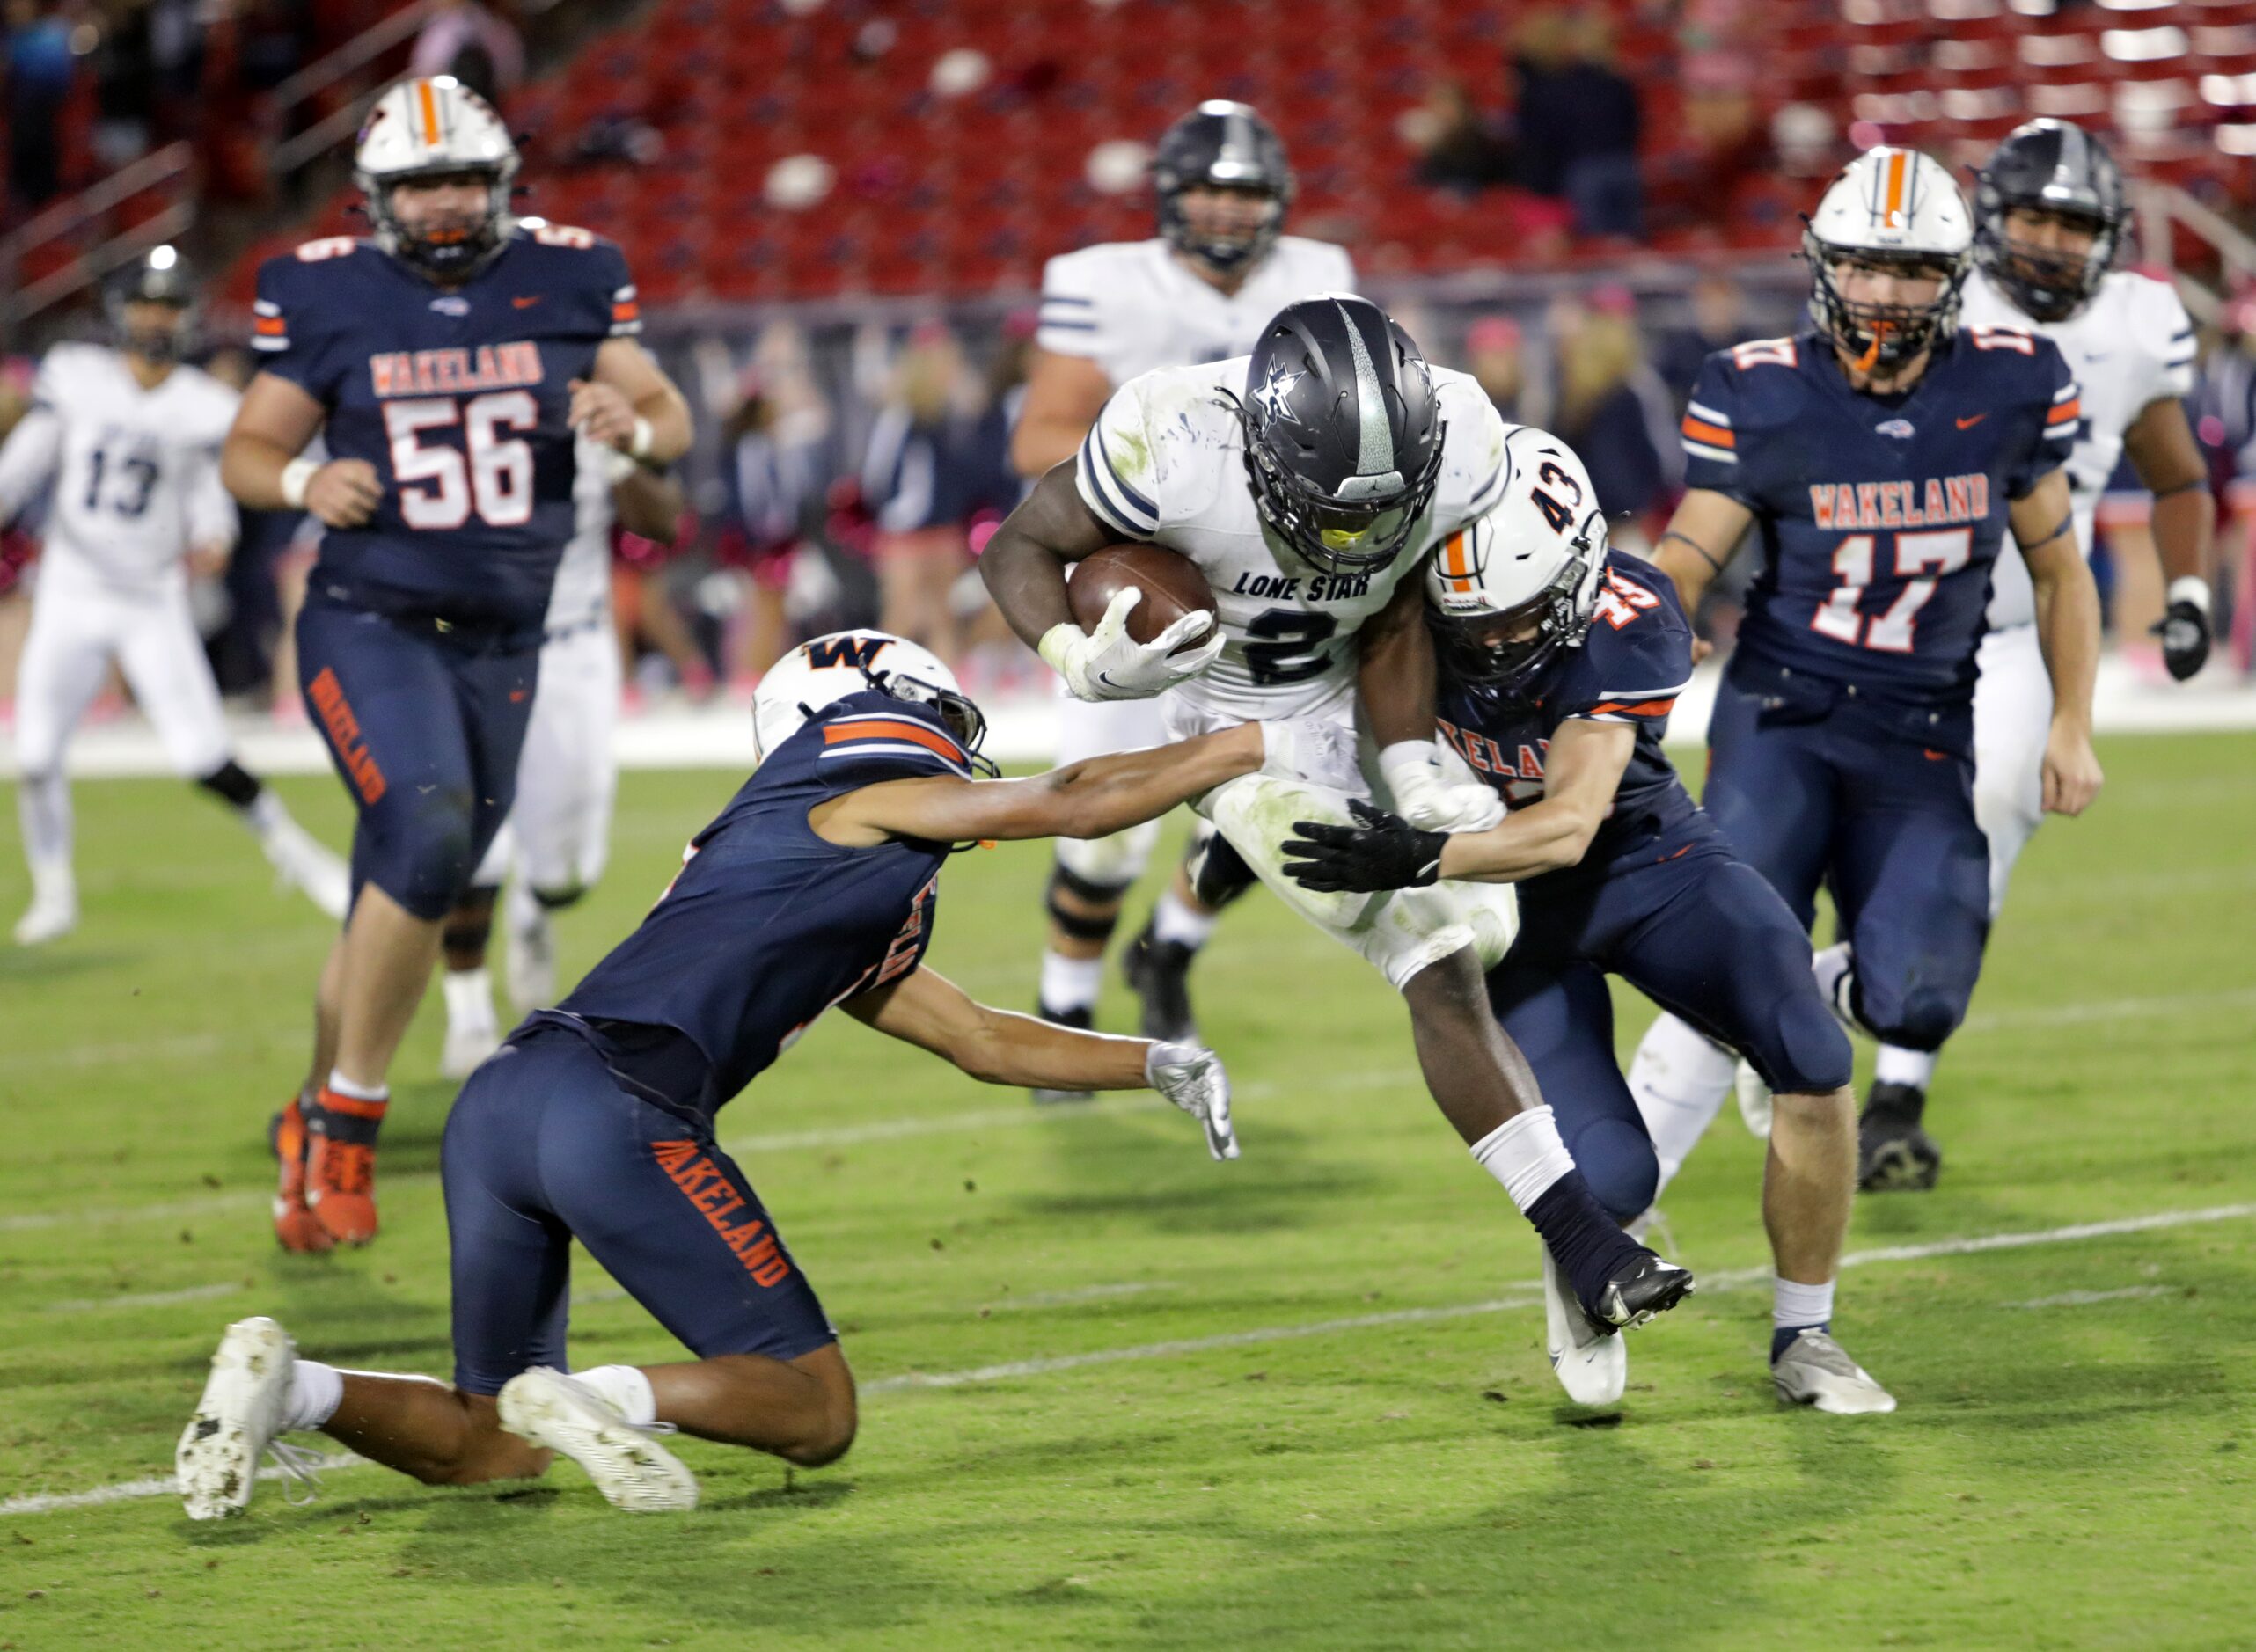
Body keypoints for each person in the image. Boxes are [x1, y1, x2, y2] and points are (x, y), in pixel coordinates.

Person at [177, 632, 1272, 1517]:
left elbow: (976, 1038)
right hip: (617, 1109)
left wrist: (1154, 1063)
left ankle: (299, 1391)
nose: (952, 742)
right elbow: (1068, 800)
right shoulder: (858, 762)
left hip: (509, 1099)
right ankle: (593, 1397)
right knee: (815, 1410)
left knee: (489, 1443)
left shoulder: (815, 855)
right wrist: (1254, 744)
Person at [981, 293, 1696, 1345]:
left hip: (1355, 693)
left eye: (1379, 504)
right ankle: (1590, 1248)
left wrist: (1410, 770)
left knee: (1492, 924)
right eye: (1329, 503)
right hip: (1223, 724)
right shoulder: (1173, 436)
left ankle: (1225, 874)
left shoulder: (1459, 433)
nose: (1350, 530)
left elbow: (1403, 604)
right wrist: (1078, 659)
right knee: (1434, 951)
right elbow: (1016, 546)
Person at [1279, 444, 1892, 1414]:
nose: (1491, 642)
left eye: (1518, 617)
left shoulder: (1630, 613)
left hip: (1636, 858)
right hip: (1513, 918)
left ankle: (1803, 1334)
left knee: (1808, 1047)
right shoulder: (1404, 607)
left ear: (1575, 576)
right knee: (1608, 1181)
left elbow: (1568, 824)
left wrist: (1421, 855)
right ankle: (1583, 1255)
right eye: (1469, 619)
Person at [221, 76, 693, 1253]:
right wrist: (298, 482)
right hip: (371, 614)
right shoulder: (324, 290)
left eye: (461, 181)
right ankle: (346, 1121)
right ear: (374, 197)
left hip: (509, 631)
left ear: (501, 187)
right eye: (418, 183)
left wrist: (626, 428)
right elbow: (248, 446)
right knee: (431, 833)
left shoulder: (573, 272)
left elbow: (668, 417)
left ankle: (311, 1113)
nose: (439, 204)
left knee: (410, 873)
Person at [1621, 148, 2105, 1198]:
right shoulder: (1758, 390)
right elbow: (1692, 550)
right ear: (1820, 265)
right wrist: (1659, 621)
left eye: (1912, 270)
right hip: (1781, 714)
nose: (1884, 292)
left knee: (1919, 1002)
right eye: (1862, 266)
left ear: (1954, 276)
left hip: (1921, 728)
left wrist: (2070, 723)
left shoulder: (2009, 384)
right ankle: (1610, 1216)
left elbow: (2060, 571)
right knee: (1731, 957)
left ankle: (1805, 1000)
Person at [1813, 120, 2208, 1183]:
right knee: (1805, 841)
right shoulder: (1936, 299)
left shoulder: (2136, 323)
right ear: (1988, 222)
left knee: (1980, 833)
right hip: (1879, 617)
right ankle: (1788, 1013)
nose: (2046, 240)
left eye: (2071, 223)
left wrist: (2184, 588)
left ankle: (1893, 1085)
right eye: (2031, 215)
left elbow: (2174, 476)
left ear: (2108, 235)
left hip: (2026, 627)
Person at [1009, 99, 1355, 1071]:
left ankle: (1167, 952)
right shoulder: (1101, 284)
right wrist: (1163, 479)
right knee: (1103, 831)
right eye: (1208, 188)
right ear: (1170, 196)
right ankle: (1064, 1005)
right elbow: (1039, 438)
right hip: (1145, 586)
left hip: (1275, 581)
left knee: (1284, 782)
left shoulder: (1318, 276)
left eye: (1244, 191)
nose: (1226, 210)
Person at [0, 248, 348, 946]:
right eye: (146, 305)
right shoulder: (78, 376)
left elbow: (205, 483)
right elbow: (28, 459)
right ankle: (55, 891)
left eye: (170, 306)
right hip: (71, 585)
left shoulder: (205, 404)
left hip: (150, 597)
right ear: (121, 311)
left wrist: (214, 531)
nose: (157, 319)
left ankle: (296, 853)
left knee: (203, 757)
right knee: (35, 755)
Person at [435, 434, 686, 1076]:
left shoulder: (588, 382)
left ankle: (533, 910)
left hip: (571, 641)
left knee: (566, 874)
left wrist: (622, 455)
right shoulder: (445, 382)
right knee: (464, 831)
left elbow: (662, 521)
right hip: (463, 641)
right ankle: (467, 1012)